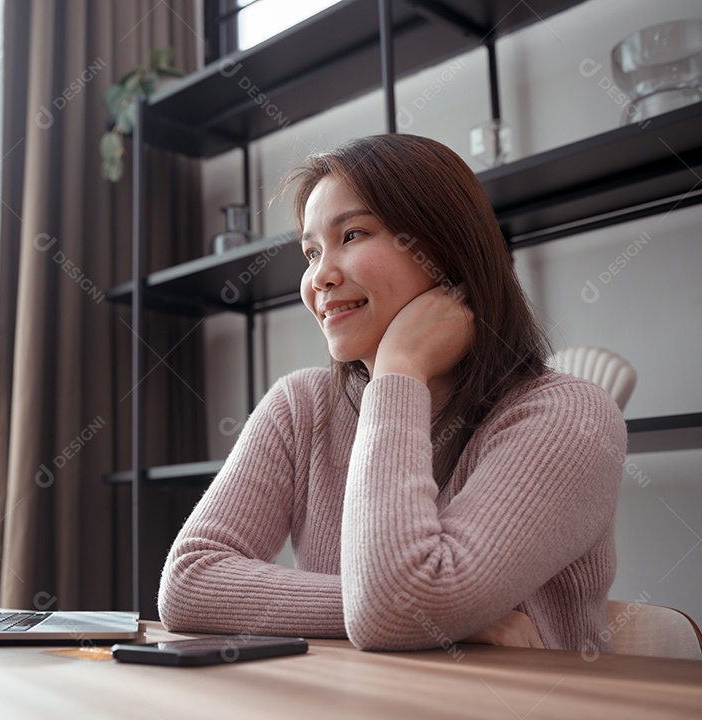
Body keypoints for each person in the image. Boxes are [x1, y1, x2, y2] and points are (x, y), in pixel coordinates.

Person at [157, 134, 625, 652]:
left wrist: (400, 368)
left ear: (447, 247)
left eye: (352, 234)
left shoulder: (569, 416)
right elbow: (189, 580)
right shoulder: (302, 407)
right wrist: (403, 610)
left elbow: (398, 611)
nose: (319, 277)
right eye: (311, 252)